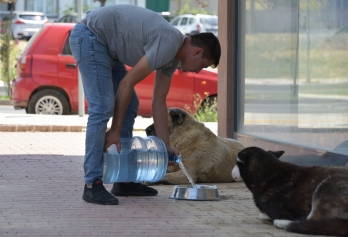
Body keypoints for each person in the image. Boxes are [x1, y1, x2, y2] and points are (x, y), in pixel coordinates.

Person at [69, 4, 221, 205]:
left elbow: (159, 101)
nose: (198, 72)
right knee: (103, 106)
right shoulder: (168, 42)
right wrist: (114, 131)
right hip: (90, 36)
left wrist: (166, 147)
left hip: (106, 46)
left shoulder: (172, 56)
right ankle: (92, 183)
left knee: (131, 103)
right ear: (197, 52)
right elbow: (126, 83)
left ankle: (123, 179)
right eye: (202, 65)